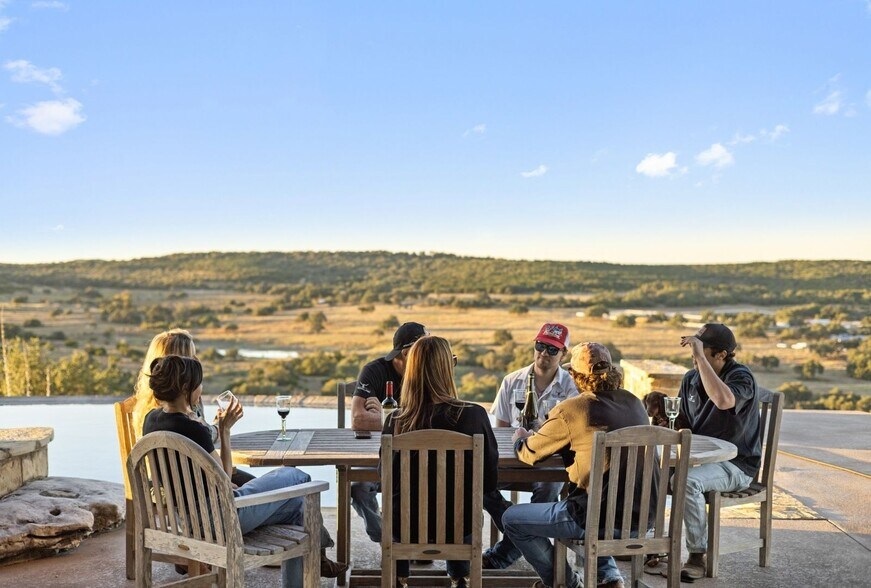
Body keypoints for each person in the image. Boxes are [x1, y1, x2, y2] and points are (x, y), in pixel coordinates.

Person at [134, 331, 346, 578]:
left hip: (185, 521)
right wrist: (224, 431)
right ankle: (318, 556)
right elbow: (224, 479)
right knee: (295, 476)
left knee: (298, 506)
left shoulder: (151, 420)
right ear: (185, 387)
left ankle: (315, 559)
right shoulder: (193, 429)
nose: (201, 389)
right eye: (199, 384)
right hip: (221, 520)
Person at [502, 342, 655, 588]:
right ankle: (610, 578)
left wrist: (520, 438)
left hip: (592, 521)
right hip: (641, 520)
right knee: (596, 499)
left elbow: (529, 453)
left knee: (512, 519)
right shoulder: (634, 402)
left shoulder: (573, 409)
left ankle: (565, 582)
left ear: (574, 376)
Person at [380, 336, 499, 588]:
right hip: (459, 526)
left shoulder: (396, 420)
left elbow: (385, 480)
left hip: (406, 527)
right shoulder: (474, 415)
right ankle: (460, 577)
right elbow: (489, 481)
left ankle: (399, 578)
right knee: (463, 507)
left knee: (399, 510)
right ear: (447, 369)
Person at [483, 323, 579, 569]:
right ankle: (516, 527)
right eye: (540, 346)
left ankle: (504, 552)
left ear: (563, 354)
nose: (544, 353)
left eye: (552, 349)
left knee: (549, 488)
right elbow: (501, 431)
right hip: (512, 460)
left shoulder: (571, 388)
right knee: (479, 482)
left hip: (549, 463)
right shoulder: (512, 381)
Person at [676, 323, 761, 581]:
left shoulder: (741, 377)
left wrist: (701, 359)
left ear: (721, 355)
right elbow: (682, 423)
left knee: (685, 482)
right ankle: (649, 544)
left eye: (700, 351)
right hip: (699, 460)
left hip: (737, 465)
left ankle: (697, 555)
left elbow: (724, 401)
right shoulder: (690, 379)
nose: (694, 356)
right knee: (647, 471)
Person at [350, 321, 428, 543]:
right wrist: (408, 417)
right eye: (425, 347)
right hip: (378, 457)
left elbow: (432, 421)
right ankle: (388, 539)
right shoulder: (374, 370)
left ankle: (417, 537)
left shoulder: (428, 373)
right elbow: (358, 419)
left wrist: (386, 416)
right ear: (407, 352)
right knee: (358, 488)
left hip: (419, 458)